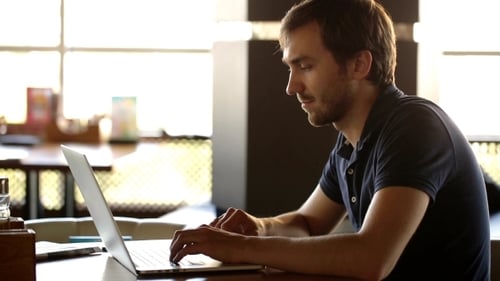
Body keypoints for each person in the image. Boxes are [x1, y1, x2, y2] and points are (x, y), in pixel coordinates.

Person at [170, 0, 491, 280]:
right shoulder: (351, 141)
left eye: (305, 66)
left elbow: (371, 257)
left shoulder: (415, 126)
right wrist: (260, 227)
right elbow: (308, 224)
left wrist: (243, 248)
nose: (291, 86)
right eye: (290, 68)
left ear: (359, 65)